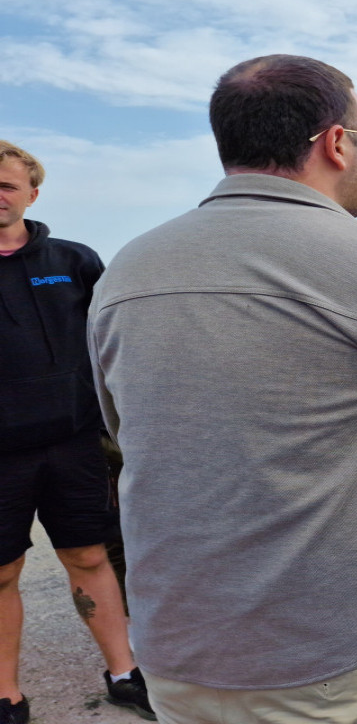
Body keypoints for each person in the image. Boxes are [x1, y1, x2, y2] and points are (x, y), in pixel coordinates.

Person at [88, 55, 357, 724]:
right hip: (347, 661)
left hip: (181, 657)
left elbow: (126, 430)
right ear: (336, 144)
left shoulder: (125, 273)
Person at [0, 142, 153, 724]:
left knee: (90, 556)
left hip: (74, 444)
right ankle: (6, 693)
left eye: (8, 185)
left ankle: (123, 672)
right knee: (2, 572)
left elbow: (118, 344)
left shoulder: (74, 260)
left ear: (32, 194)